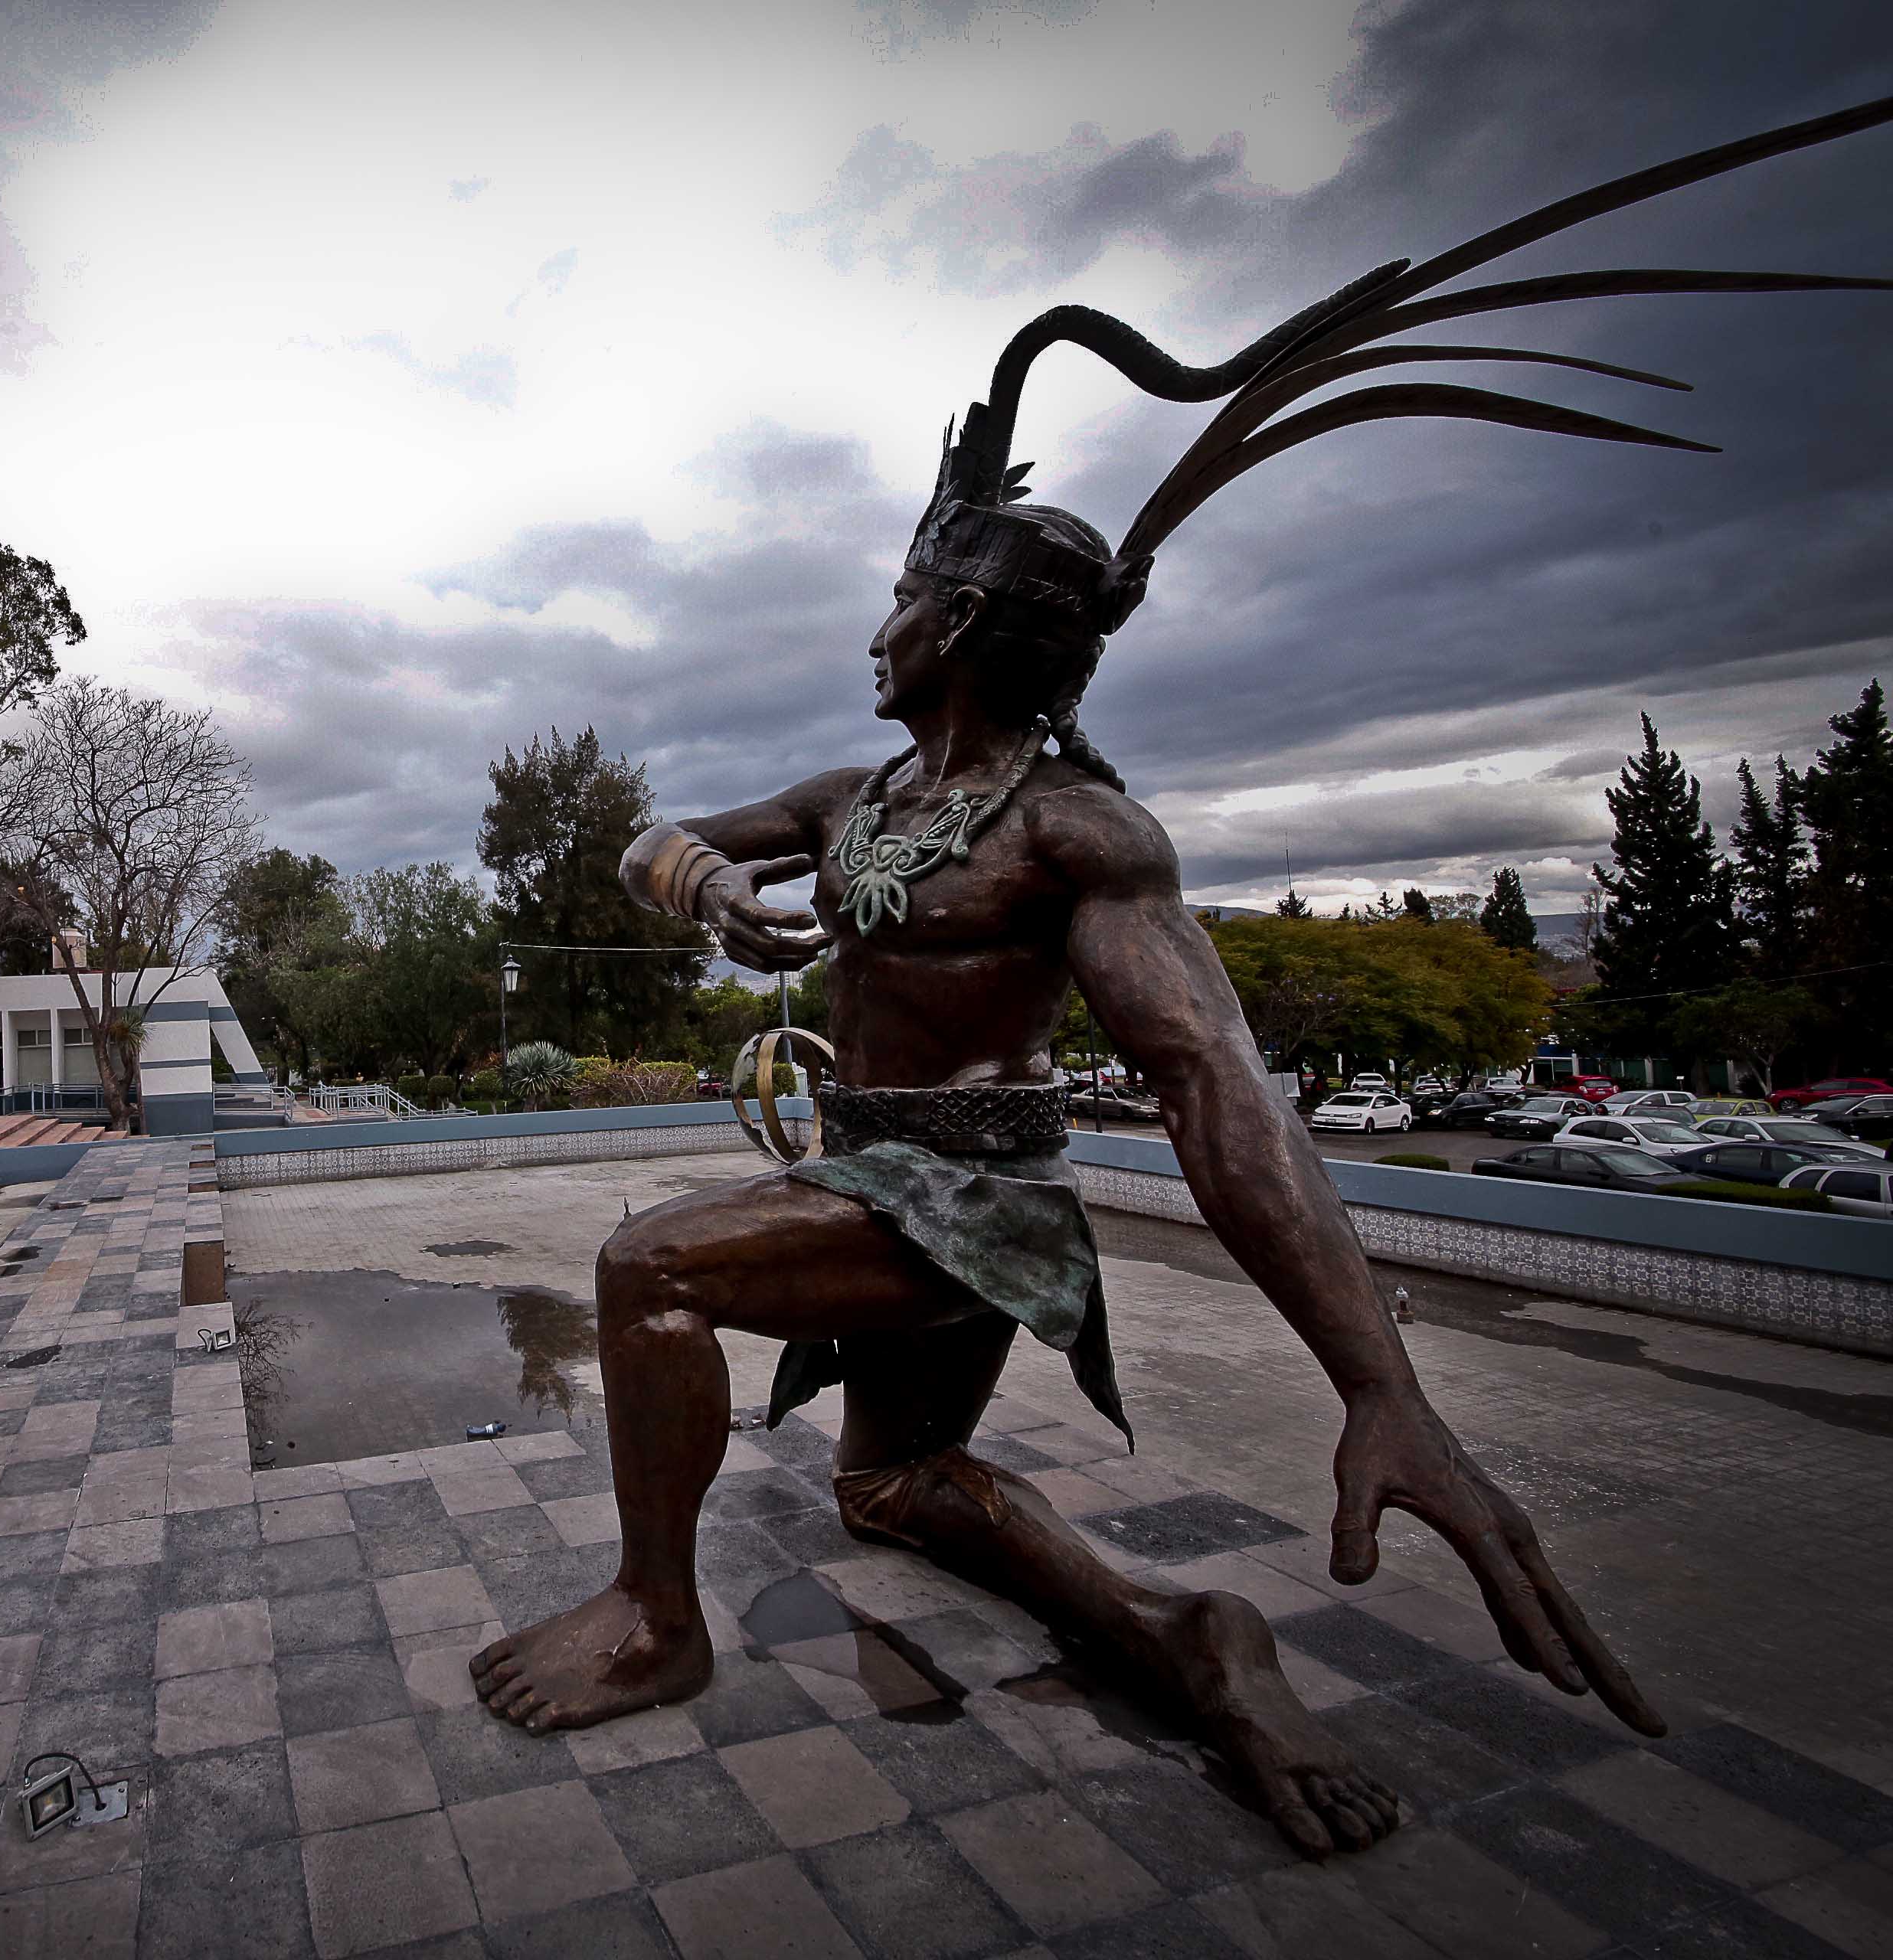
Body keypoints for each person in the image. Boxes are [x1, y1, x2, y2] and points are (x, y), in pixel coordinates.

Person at [472, 92, 1893, 1857]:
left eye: (899, 602)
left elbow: (1218, 1084)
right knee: (894, 1485)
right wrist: (694, 879)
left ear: (964, 625)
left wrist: (1381, 1379)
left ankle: (659, 1618)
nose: (872, 630)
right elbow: (652, 831)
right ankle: (1191, 1639)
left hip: (967, 1208)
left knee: (643, 1265)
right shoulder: (861, 797)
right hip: (861, 1169)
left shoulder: (1075, 835)